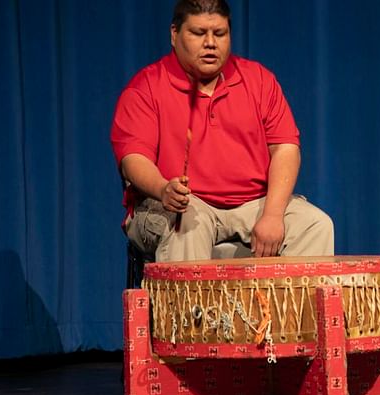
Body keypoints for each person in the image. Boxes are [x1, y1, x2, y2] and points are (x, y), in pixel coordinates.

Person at [111, 0, 334, 262]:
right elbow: (133, 160)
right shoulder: (146, 87)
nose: (210, 43)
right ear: (174, 34)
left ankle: (281, 305)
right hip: (183, 204)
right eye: (198, 33)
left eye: (219, 34)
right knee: (186, 223)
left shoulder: (258, 80)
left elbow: (285, 148)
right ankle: (190, 306)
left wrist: (273, 215)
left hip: (252, 204)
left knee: (315, 224)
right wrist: (163, 189)